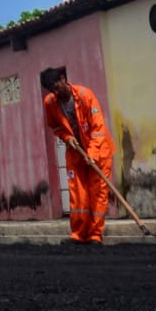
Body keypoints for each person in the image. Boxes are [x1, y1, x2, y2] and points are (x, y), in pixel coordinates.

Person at [40, 67, 114, 246]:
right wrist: (66, 137)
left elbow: (98, 128)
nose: (55, 92)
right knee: (78, 194)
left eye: (56, 87)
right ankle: (79, 234)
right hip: (75, 152)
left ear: (63, 79)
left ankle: (96, 234)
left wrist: (93, 154)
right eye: (51, 90)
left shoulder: (85, 95)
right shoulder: (50, 102)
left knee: (98, 193)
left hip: (99, 151)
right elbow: (55, 126)